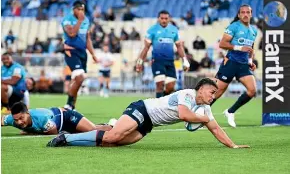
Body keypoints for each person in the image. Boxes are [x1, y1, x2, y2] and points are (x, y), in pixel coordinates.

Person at [47, 78, 250, 149]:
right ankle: (67, 138)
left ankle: (107, 125)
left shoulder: (205, 109)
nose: (214, 96)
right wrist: (204, 119)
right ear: (201, 89)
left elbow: (215, 129)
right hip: (143, 109)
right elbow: (185, 115)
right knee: (113, 136)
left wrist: (232, 145)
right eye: (211, 92)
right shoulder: (187, 94)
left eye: (215, 94)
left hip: (149, 124)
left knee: (112, 142)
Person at [211, 5, 258, 128]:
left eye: (248, 12)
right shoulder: (234, 27)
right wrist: (238, 48)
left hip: (243, 65)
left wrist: (250, 61)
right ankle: (200, 112)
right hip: (231, 62)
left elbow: (250, 49)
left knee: (252, 90)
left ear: (251, 14)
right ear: (239, 15)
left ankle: (230, 111)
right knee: (218, 91)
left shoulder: (254, 30)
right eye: (243, 12)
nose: (245, 14)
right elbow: (222, 44)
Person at [136, 10, 190, 98]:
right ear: (158, 19)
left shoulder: (174, 30)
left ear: (169, 19)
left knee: (170, 87)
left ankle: (162, 102)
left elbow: (179, 46)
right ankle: (158, 108)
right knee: (160, 84)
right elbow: (146, 47)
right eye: (162, 18)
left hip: (170, 62)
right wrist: (140, 60)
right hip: (157, 61)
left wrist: (185, 60)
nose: (164, 20)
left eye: (166, 18)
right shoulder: (152, 30)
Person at [61, 0, 98, 110]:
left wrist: (93, 54)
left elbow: (87, 39)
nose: (81, 12)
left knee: (77, 80)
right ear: (74, 9)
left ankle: (72, 107)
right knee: (80, 77)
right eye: (79, 9)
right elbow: (71, 34)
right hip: (71, 51)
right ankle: (68, 105)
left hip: (82, 52)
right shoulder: (67, 20)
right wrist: (80, 21)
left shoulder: (86, 20)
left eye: (83, 9)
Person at [1, 102, 112, 135]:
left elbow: (53, 132)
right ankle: (109, 125)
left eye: (21, 118)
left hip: (66, 116)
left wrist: (31, 132)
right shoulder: (12, 119)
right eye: (16, 120)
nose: (19, 122)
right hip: (60, 126)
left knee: (92, 130)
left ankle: (114, 127)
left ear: (28, 113)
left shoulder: (41, 118)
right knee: (85, 131)